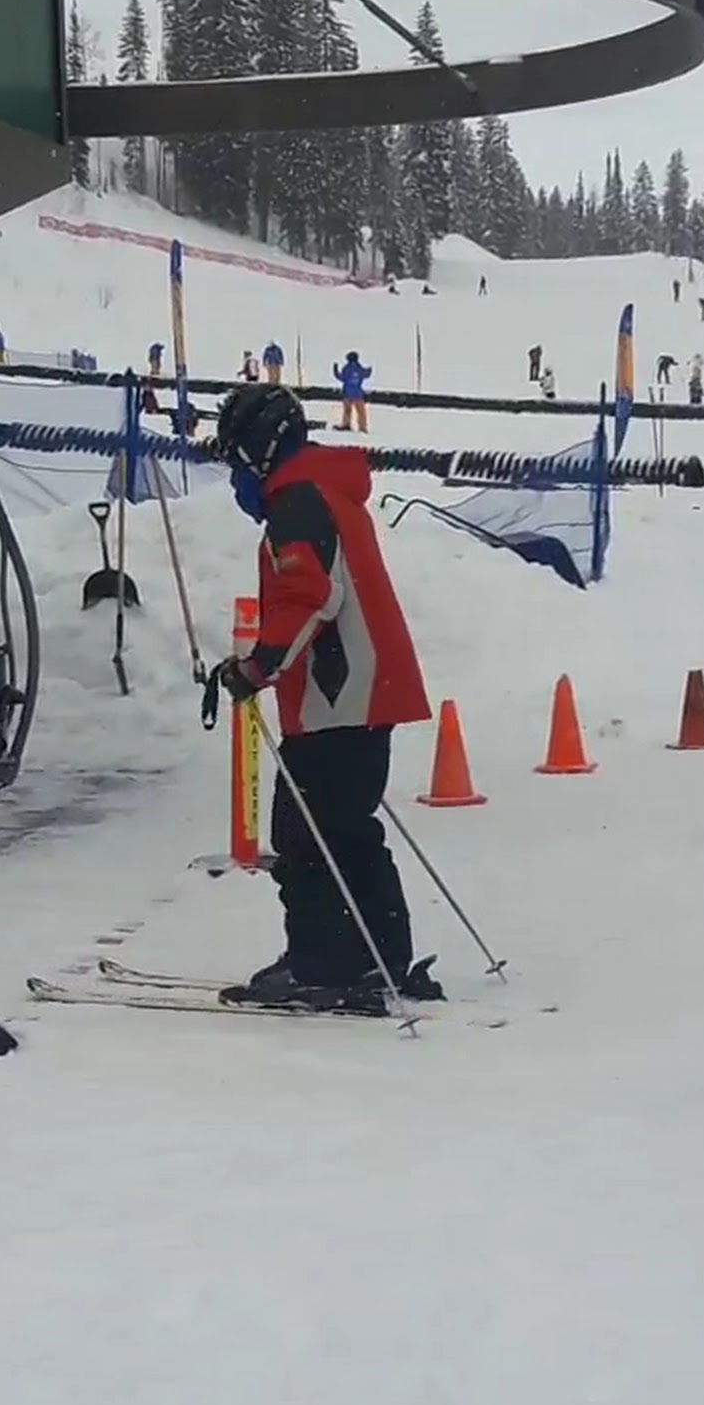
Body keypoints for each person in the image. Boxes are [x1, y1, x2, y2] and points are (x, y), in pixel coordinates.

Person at [209, 385, 438, 1012]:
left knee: (305, 833)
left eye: (235, 459)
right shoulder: (326, 491)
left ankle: (323, 964)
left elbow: (308, 595)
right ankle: (377, 956)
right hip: (365, 690)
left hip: (340, 693)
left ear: (261, 451)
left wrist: (258, 667)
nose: (234, 475)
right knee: (348, 831)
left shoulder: (298, 503)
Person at [334, 351, 373, 433]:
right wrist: (370, 369)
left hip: (347, 393)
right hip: (358, 394)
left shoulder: (346, 368)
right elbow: (366, 374)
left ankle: (346, 424)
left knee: (347, 410)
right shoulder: (359, 368)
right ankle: (362, 427)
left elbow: (341, 377)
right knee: (361, 412)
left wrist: (335, 371)